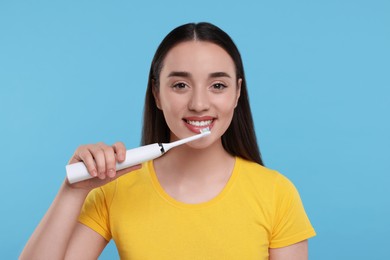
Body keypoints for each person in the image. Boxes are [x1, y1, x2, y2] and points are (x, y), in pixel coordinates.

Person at [20, 22, 316, 259]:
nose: (199, 104)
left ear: (237, 93)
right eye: (180, 85)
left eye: (217, 85)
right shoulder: (114, 190)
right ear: (157, 94)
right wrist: (72, 192)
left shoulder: (277, 194)